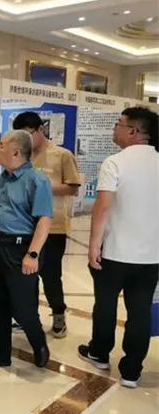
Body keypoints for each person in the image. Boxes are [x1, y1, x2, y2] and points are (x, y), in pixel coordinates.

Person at [79, 107, 159, 389]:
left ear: (134, 131)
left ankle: (100, 353)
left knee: (105, 304)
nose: (114, 128)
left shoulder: (115, 162)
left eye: (119, 124)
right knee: (140, 310)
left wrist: (93, 244)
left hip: (114, 252)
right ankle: (131, 371)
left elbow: (103, 207)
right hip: (151, 255)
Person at [0, 130, 53, 370]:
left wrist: (33, 254)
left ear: (16, 152)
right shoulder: (0, 179)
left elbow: (44, 220)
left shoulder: (36, 181)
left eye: (1, 145)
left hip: (21, 249)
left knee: (23, 306)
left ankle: (38, 343)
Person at [13, 112, 81, 338]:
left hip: (54, 227)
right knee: (26, 275)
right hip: (25, 225)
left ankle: (58, 314)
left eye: (28, 134)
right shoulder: (23, 156)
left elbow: (72, 187)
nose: (25, 140)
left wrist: (41, 186)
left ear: (40, 130)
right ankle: (28, 317)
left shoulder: (62, 155)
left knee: (50, 275)